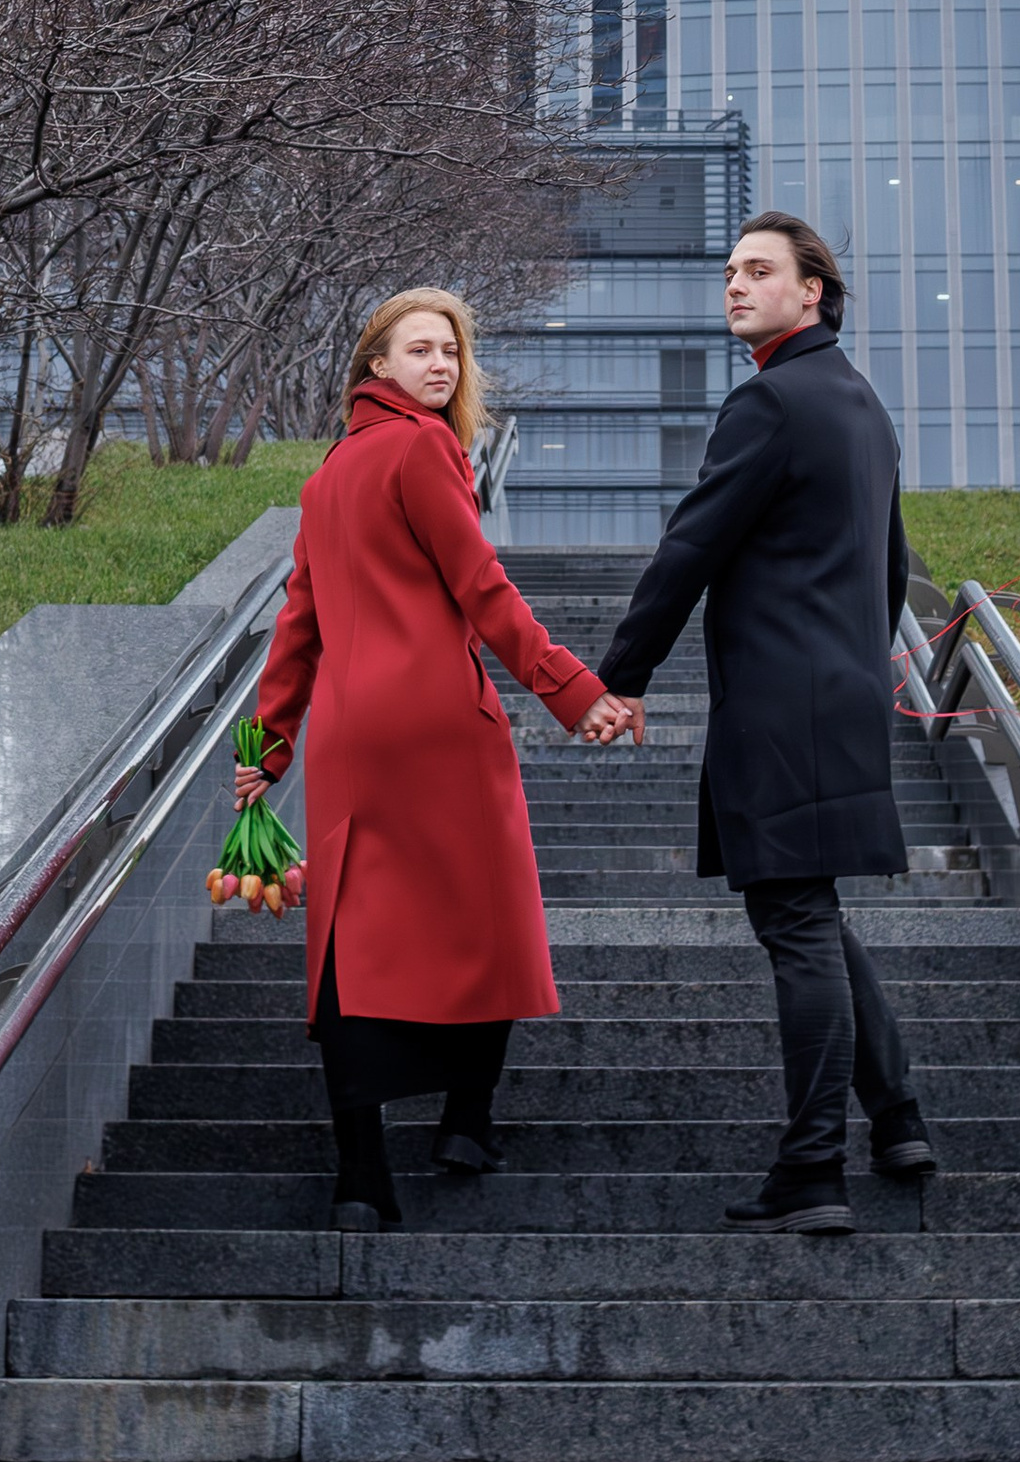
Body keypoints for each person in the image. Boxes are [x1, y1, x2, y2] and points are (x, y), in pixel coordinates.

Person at [243, 284, 641, 1229]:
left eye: (452, 353)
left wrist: (266, 748)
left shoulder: (330, 472)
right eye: (419, 350)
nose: (441, 366)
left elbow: (294, 628)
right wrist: (574, 692)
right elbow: (483, 587)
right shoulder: (427, 449)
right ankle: (466, 1117)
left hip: (350, 742)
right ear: (375, 364)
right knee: (486, 919)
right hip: (440, 727)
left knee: (348, 937)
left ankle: (360, 1177)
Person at [592, 210, 935, 1233]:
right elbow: (886, 570)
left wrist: (621, 677)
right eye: (730, 271)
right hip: (842, 698)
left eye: (758, 271)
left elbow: (688, 550)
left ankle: (812, 1170)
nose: (735, 286)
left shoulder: (769, 402)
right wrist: (851, 669)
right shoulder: (862, 405)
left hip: (780, 708)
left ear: (809, 291)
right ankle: (899, 1118)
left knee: (792, 922)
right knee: (813, 911)